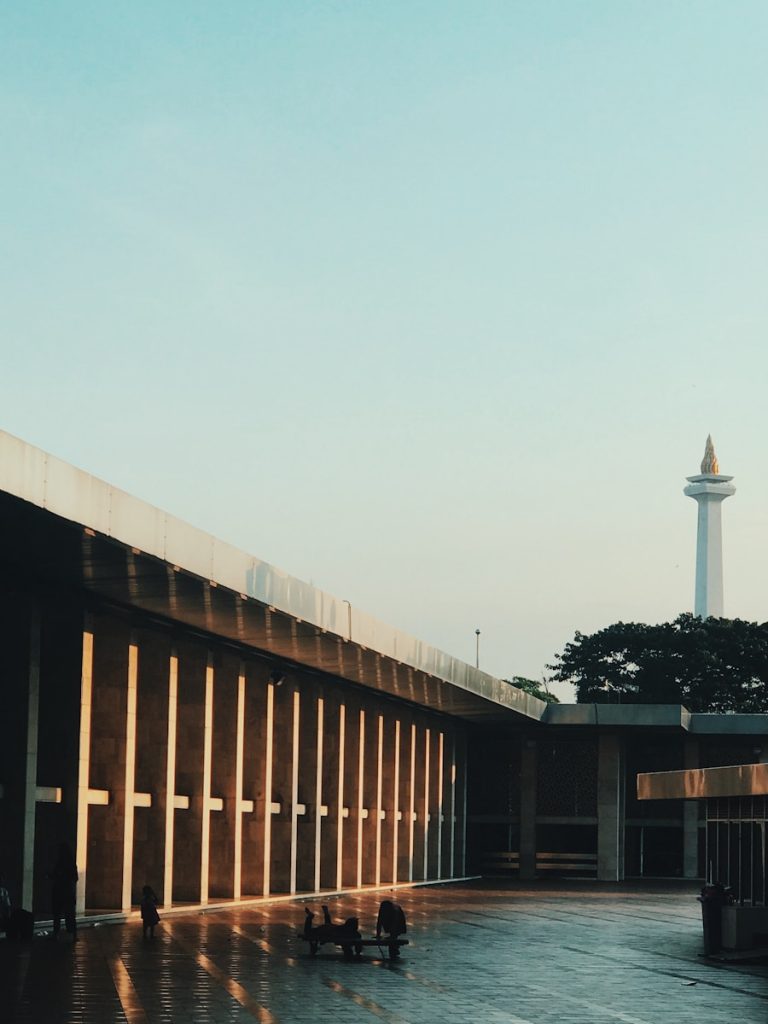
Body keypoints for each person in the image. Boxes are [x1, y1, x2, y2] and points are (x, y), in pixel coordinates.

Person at [49, 843, 78, 940]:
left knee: (57, 914)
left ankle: (56, 934)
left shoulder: (60, 863)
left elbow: (54, 875)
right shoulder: (71, 863)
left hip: (59, 892)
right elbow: (75, 877)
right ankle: (73, 935)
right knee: (70, 914)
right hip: (68, 892)